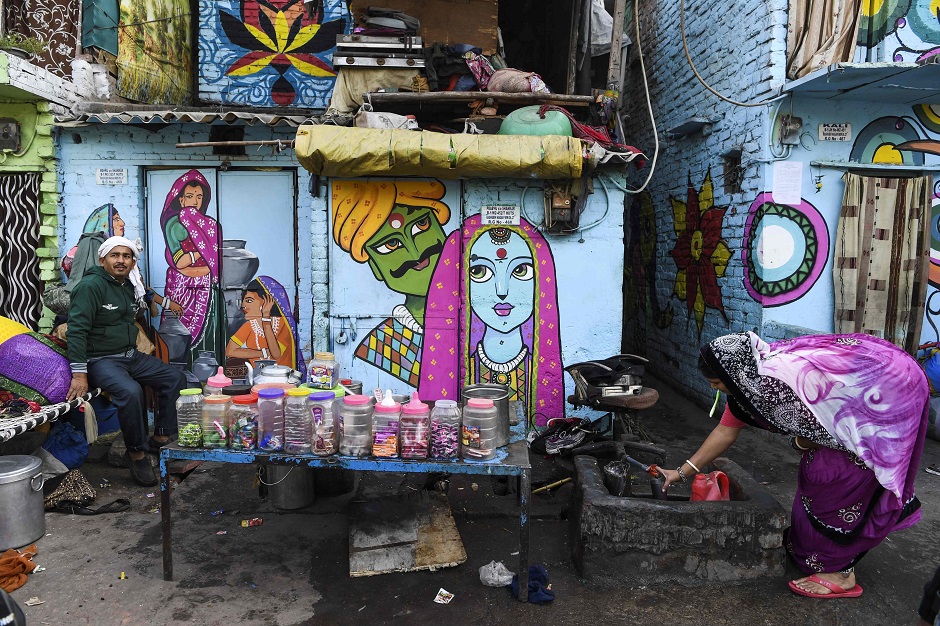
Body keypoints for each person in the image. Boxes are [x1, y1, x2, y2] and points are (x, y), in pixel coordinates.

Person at [662, 332, 927, 598]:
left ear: (734, 372)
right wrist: (681, 472)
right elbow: (725, 432)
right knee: (814, 481)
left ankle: (842, 574)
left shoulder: (780, 382)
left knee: (836, 490)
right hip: (837, 432)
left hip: (883, 401)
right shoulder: (748, 384)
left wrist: (801, 443)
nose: (714, 389)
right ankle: (815, 554)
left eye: (717, 382)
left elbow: (829, 429)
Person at [419, 216, 565, 428]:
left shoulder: (539, 363)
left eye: (520, 271)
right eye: (479, 272)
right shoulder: (460, 358)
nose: (502, 291)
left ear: (541, 281)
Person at [66, 236, 186, 486]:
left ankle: (160, 438)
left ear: (132, 262)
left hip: (130, 355)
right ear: (103, 259)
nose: (121, 260)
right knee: (131, 393)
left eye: (127, 256)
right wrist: (79, 374)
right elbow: (76, 330)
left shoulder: (127, 285)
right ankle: (136, 453)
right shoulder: (91, 286)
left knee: (175, 378)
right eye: (115, 255)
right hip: (101, 359)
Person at [331, 179, 450, 387]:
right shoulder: (378, 347)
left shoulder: (473, 327)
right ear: (376, 268)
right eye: (391, 244)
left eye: (421, 225)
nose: (416, 254)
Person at [159, 170, 223, 361]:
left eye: (199, 197)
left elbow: (216, 262)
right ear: (180, 200)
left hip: (207, 289)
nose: (195, 201)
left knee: (209, 335)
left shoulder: (210, 225)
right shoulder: (174, 224)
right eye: (189, 196)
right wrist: (201, 253)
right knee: (178, 337)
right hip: (181, 289)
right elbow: (180, 262)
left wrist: (196, 261)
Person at [225, 276, 306, 377]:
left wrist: (266, 319)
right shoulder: (250, 325)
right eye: (244, 300)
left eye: (249, 300)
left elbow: (275, 354)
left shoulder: (283, 324)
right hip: (257, 378)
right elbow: (230, 351)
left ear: (267, 301)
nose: (243, 305)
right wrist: (263, 352)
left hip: (281, 379)